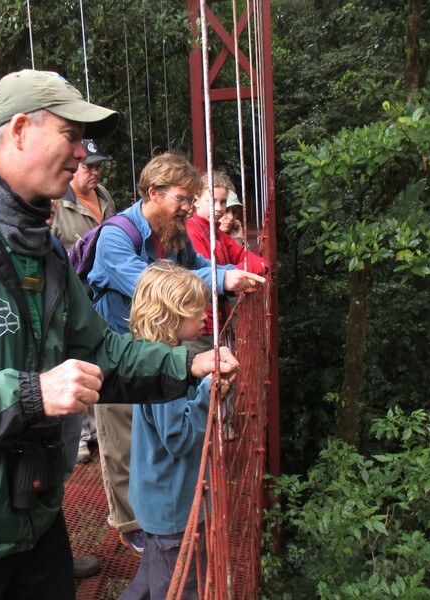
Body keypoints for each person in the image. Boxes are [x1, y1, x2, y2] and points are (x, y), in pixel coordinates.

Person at [0, 69, 238, 600]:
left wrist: (185, 365)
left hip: (32, 520)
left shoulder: (44, 249)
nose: (83, 154)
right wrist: (32, 393)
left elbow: (101, 350)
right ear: (17, 131)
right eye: (70, 135)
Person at [87, 153, 264, 556]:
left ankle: (152, 517)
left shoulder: (173, 231)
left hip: (158, 345)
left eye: (191, 200)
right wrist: (220, 279)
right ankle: (130, 522)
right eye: (183, 199)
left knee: (147, 432)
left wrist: (222, 274)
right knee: (121, 436)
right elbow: (155, 287)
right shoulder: (116, 237)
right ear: (153, 192)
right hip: (117, 350)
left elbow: (197, 265)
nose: (189, 208)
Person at [121, 261, 221, 600]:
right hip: (173, 509)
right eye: (195, 310)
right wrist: (210, 391)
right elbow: (177, 438)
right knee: (179, 586)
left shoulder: (153, 357)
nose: (205, 315)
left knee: (152, 575)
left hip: (155, 498)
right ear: (171, 317)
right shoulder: (166, 370)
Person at [52, 138, 116, 466]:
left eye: (98, 166)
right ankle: (79, 437)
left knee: (98, 357)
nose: (95, 172)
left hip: (101, 294)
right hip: (70, 294)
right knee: (72, 360)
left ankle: (97, 431)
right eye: (88, 166)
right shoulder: (57, 204)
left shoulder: (103, 196)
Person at [185, 170, 269, 353]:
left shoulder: (217, 234)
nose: (219, 208)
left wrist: (233, 273)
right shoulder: (191, 232)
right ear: (196, 199)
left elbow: (261, 263)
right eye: (212, 201)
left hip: (218, 323)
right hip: (200, 327)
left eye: (223, 202)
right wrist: (233, 274)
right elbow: (208, 274)